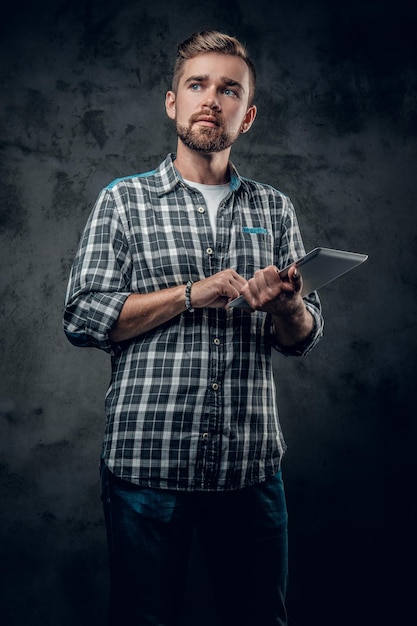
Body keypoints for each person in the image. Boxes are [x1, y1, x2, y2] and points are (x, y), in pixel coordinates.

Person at [63, 30, 324, 626]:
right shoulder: (123, 203)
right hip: (145, 467)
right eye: (197, 84)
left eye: (229, 89)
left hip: (250, 468)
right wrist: (189, 294)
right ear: (172, 102)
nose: (212, 98)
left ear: (247, 115)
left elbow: (305, 338)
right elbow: (80, 316)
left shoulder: (274, 209)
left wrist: (285, 306)